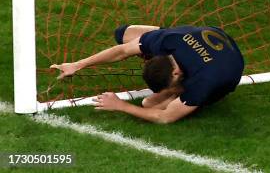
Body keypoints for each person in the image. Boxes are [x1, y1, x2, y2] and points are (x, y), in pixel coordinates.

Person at [51, 24, 244, 124]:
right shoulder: (167, 40)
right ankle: (146, 42)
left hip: (228, 70)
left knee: (150, 104)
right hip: (205, 39)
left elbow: (165, 118)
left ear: (177, 73)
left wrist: (121, 106)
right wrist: (77, 65)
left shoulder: (203, 81)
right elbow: (122, 51)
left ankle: (181, 95)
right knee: (124, 34)